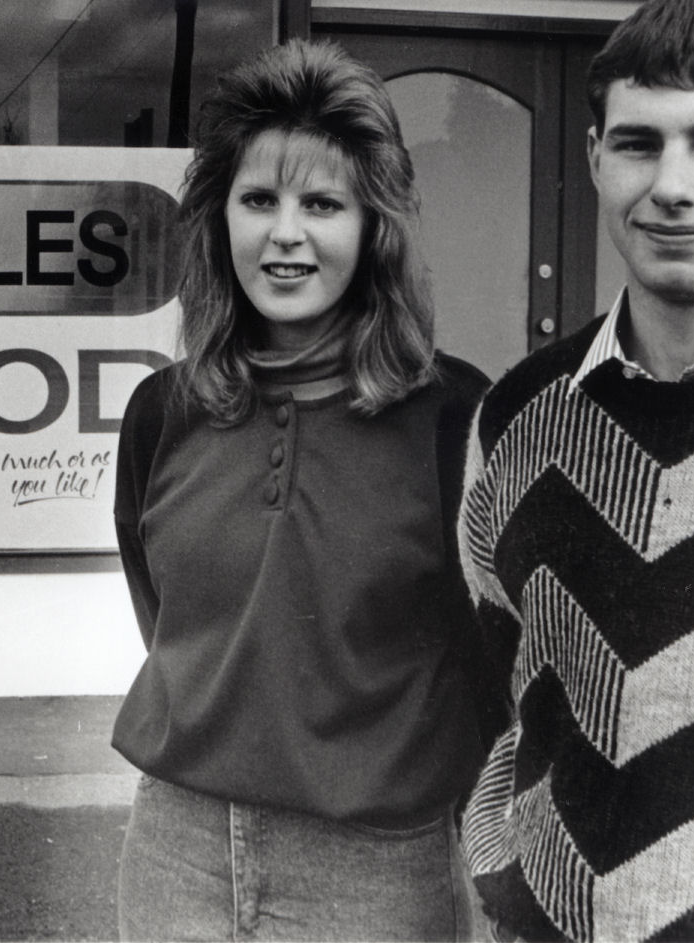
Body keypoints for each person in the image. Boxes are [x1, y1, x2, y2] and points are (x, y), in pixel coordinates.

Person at [112, 39, 495, 941]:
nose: (284, 233)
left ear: (373, 228)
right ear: (220, 221)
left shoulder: (455, 417)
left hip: (374, 864)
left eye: (321, 203)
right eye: (258, 200)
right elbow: (166, 613)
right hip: (176, 847)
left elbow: (486, 661)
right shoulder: (159, 411)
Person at [456, 0, 694, 939]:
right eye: (637, 144)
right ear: (592, 159)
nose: (669, 185)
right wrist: (503, 876)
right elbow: (494, 677)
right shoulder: (518, 414)